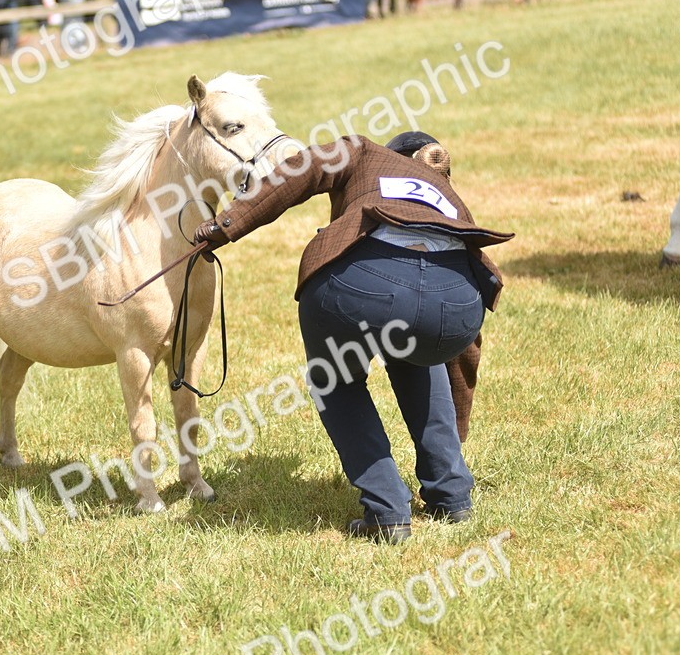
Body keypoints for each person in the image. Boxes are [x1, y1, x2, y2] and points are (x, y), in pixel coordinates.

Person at [194, 131, 513, 544]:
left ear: (393, 153)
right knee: (424, 353)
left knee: (336, 379)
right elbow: (464, 351)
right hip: (457, 303)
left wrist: (226, 225)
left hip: (368, 284)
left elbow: (302, 170)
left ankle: (387, 510)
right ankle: (451, 497)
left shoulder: (365, 152)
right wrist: (457, 436)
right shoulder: (449, 196)